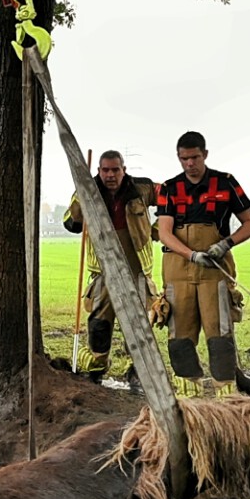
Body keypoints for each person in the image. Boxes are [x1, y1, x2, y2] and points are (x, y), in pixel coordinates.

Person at [154, 131, 250, 397]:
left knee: (219, 332)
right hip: (178, 269)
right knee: (179, 333)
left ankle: (226, 395)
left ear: (205, 155)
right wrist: (191, 255)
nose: (189, 163)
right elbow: (165, 233)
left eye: (194, 157)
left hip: (216, 269)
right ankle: (189, 394)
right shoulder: (169, 187)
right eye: (184, 159)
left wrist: (226, 243)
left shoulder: (225, 183)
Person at [61, 150, 157, 381]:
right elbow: (70, 224)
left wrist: (161, 226)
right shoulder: (86, 191)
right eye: (105, 170)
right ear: (98, 171)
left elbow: (172, 199)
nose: (110, 175)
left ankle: (138, 371)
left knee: (138, 322)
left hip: (137, 268)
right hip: (102, 270)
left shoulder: (142, 188)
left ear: (124, 170)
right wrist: (78, 204)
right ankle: (96, 369)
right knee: (99, 321)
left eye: (115, 169)